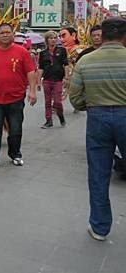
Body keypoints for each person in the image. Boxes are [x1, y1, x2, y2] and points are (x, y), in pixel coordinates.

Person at [69, 17, 126, 241]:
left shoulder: (86, 61)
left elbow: (74, 97)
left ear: (102, 35)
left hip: (97, 117)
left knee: (99, 173)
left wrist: (89, 105)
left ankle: (100, 228)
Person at [0, 23, 37, 169]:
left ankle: (15, 155)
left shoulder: (22, 52)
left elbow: (31, 72)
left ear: (13, 34)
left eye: (7, 32)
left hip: (16, 98)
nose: (5, 35)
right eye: (2, 33)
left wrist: (32, 91)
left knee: (15, 129)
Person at [37, 31, 69, 129]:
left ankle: (61, 116)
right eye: (51, 38)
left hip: (58, 80)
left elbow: (66, 65)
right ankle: (48, 121)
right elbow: (40, 68)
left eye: (55, 38)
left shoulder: (62, 50)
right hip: (47, 80)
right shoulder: (43, 53)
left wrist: (67, 78)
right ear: (47, 40)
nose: (53, 40)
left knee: (57, 102)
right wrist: (38, 81)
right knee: (47, 102)